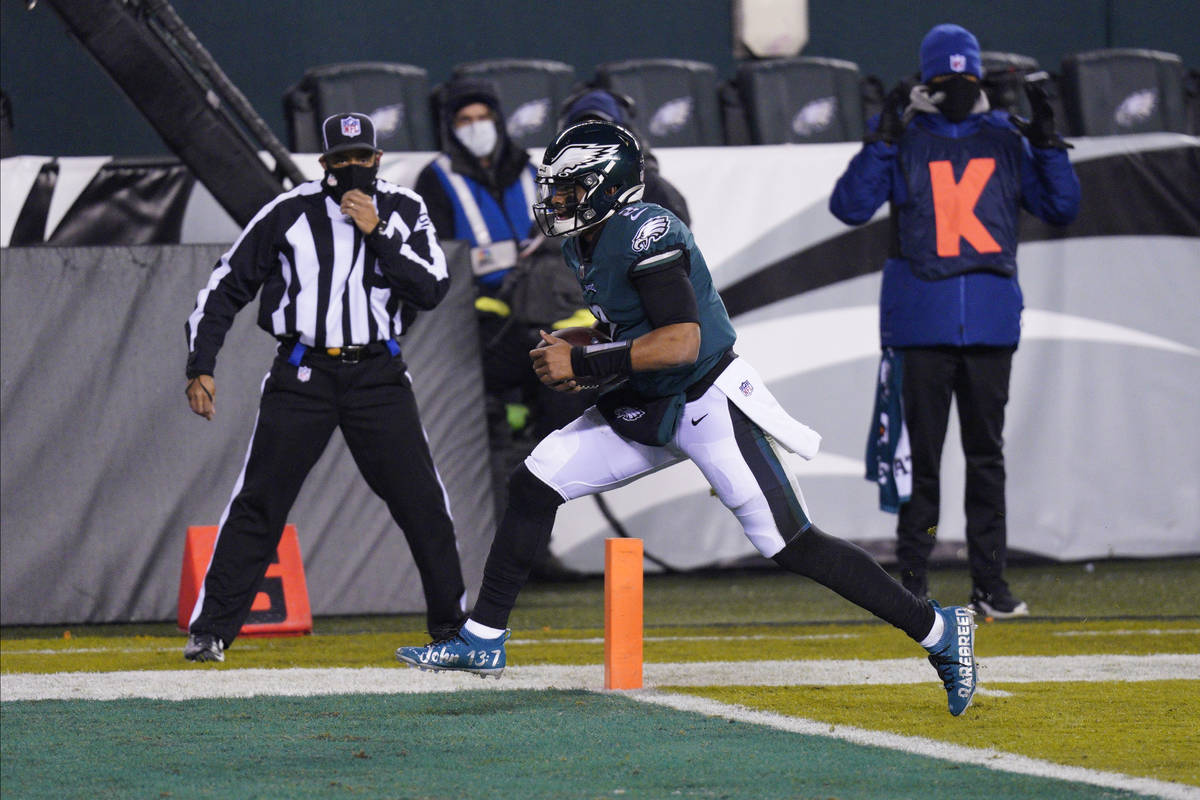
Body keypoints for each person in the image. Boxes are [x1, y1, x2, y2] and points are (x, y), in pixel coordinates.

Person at [397, 120, 981, 717]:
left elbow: (679, 341)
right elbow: (629, 328)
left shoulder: (646, 229)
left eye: (568, 190)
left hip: (707, 400)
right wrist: (582, 349)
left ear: (605, 186)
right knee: (535, 479)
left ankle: (938, 629)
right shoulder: (584, 240)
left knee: (791, 542)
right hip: (649, 398)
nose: (556, 202)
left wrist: (585, 358)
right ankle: (483, 639)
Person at [182, 112, 467, 662]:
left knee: (423, 504)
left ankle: (453, 631)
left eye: (362, 158)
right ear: (325, 163)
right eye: (341, 160)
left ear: (378, 159)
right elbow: (225, 285)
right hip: (302, 373)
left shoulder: (405, 209)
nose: (352, 168)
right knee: (260, 500)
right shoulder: (288, 212)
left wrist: (377, 231)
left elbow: (432, 288)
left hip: (378, 375)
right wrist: (201, 363)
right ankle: (211, 629)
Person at [829, 24, 1081, 618]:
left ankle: (987, 586)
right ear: (926, 81)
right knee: (927, 459)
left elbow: (1062, 206)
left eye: (966, 78)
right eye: (949, 78)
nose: (960, 88)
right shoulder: (912, 137)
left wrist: (1047, 143)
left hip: (978, 324)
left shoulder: (1003, 137)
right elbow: (850, 206)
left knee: (984, 457)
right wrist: (883, 140)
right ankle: (913, 588)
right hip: (927, 324)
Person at [415, 78, 594, 580]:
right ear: (450, 128)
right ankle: (500, 552)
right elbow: (438, 257)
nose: (476, 128)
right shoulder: (436, 178)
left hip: (549, 323)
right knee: (487, 433)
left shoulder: (541, 171)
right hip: (483, 329)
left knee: (560, 423)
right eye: (464, 120)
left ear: (499, 119)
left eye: (483, 117)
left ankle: (538, 547)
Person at [558, 87, 692, 225]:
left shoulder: (650, 186)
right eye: (582, 132)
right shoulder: (551, 189)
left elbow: (677, 236)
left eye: (602, 132)